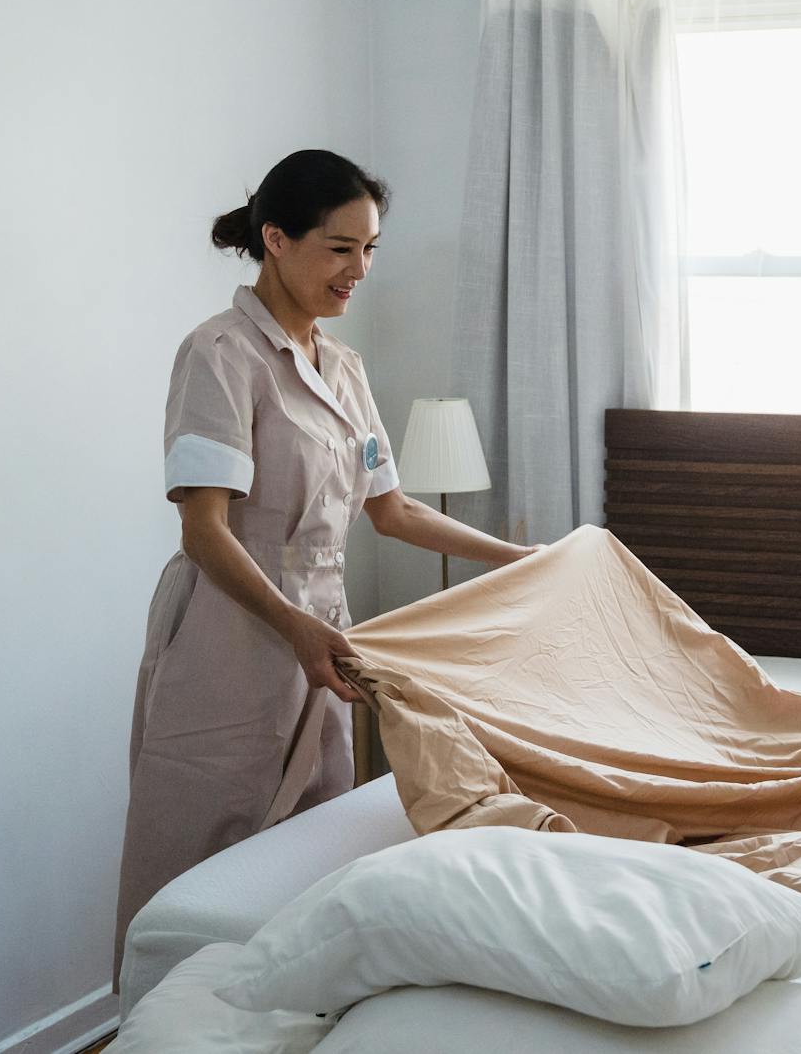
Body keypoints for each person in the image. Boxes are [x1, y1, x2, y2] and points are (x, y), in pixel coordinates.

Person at [114, 150, 535, 981]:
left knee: (314, 851)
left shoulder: (342, 368)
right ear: (276, 238)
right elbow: (204, 529)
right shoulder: (220, 355)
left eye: (371, 248)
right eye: (341, 248)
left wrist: (520, 557)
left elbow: (393, 509)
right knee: (203, 853)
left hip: (322, 639)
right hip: (227, 641)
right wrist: (295, 625)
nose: (360, 270)